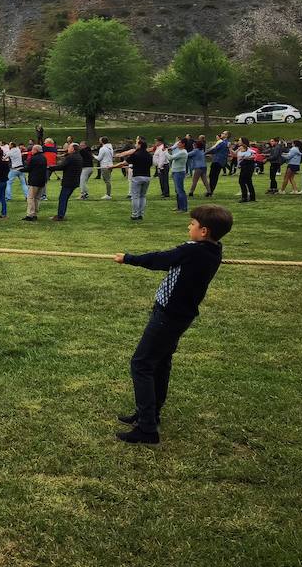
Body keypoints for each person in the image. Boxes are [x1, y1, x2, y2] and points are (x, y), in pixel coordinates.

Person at [112, 204, 233, 444]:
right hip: (180, 316)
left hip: (168, 316)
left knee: (142, 364)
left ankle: (147, 429)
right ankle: (151, 414)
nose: (189, 226)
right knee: (160, 363)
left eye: (193, 224)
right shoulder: (214, 251)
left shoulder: (194, 251)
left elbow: (161, 259)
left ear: (204, 231)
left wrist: (128, 259)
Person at [122, 138, 153, 221]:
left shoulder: (136, 154)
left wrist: (112, 166)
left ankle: (134, 214)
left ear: (140, 145)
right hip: (147, 176)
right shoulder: (149, 155)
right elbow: (150, 164)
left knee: (135, 196)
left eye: (136, 144)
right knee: (143, 196)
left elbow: (125, 163)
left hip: (137, 176)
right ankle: (141, 214)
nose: (135, 145)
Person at [52, 143, 83, 221]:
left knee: (63, 198)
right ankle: (61, 214)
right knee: (64, 198)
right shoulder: (79, 156)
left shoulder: (71, 157)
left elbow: (62, 166)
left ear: (73, 149)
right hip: (74, 181)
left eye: (69, 147)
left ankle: (60, 216)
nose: (67, 149)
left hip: (69, 181)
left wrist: (50, 167)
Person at [22, 144, 48, 221]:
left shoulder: (34, 158)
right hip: (42, 180)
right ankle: (35, 214)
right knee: (37, 198)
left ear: (36, 150)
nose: (31, 151)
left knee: (30, 198)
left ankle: (30, 214)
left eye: (33, 149)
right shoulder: (44, 158)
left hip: (34, 181)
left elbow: (29, 168)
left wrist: (21, 169)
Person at [169, 139, 190, 213]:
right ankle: (179, 207)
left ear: (183, 144)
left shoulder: (183, 152)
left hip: (179, 172)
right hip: (176, 171)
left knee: (180, 190)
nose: (178, 143)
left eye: (180, 142)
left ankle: (184, 208)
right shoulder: (180, 151)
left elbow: (170, 158)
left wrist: (165, 152)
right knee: (177, 190)